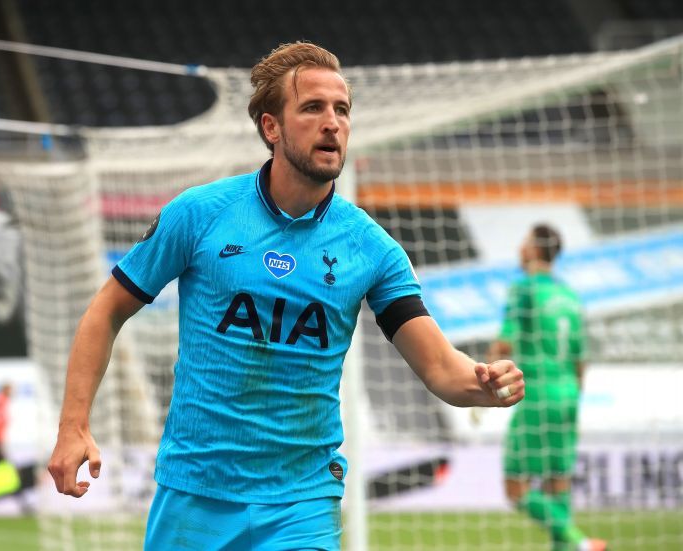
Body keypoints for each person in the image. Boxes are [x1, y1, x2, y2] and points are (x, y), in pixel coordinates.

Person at [48, 41, 525, 551]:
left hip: (303, 501)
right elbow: (106, 311)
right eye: (313, 107)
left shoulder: (373, 249)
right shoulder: (200, 214)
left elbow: (439, 367)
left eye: (341, 110)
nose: (332, 122)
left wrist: (482, 383)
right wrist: (73, 425)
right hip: (196, 493)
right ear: (271, 127)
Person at [488, 224, 606, 551]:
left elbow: (505, 344)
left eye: (524, 241)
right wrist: (573, 395)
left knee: (516, 489)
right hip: (569, 394)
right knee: (558, 485)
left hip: (537, 394)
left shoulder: (524, 289)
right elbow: (581, 359)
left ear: (534, 249)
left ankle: (580, 542)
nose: (520, 248)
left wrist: (486, 364)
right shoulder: (569, 296)